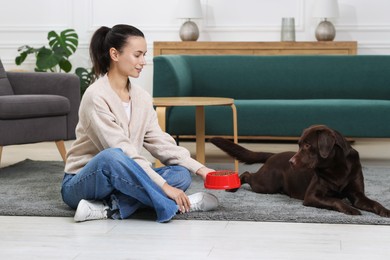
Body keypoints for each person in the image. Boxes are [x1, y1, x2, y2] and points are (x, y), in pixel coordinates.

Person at [61, 24, 218, 223]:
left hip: (124, 178)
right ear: (115, 54)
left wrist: (201, 170)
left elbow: (160, 142)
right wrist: (165, 188)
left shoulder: (142, 98)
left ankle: (109, 208)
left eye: (144, 54)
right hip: (83, 182)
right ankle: (177, 205)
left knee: (181, 174)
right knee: (112, 157)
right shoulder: (96, 96)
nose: (143, 62)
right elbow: (122, 150)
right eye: (137, 55)